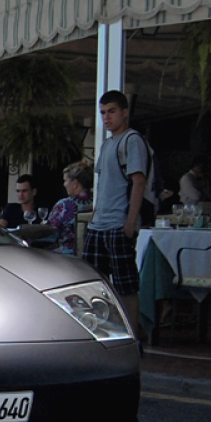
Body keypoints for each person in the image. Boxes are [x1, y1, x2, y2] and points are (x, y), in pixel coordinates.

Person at [84, 91, 147, 335]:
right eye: (103, 112)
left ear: (124, 112)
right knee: (93, 284)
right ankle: (101, 331)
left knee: (126, 285)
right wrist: (94, 215)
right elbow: (102, 183)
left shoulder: (132, 140)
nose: (106, 117)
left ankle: (132, 335)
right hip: (99, 225)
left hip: (118, 223)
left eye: (111, 111)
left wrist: (130, 222)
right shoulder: (107, 143)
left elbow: (138, 181)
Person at [47, 161, 93, 255]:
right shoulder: (96, 203)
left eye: (65, 180)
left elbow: (49, 234)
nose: (64, 184)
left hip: (66, 258)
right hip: (90, 255)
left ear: (75, 183)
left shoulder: (64, 205)